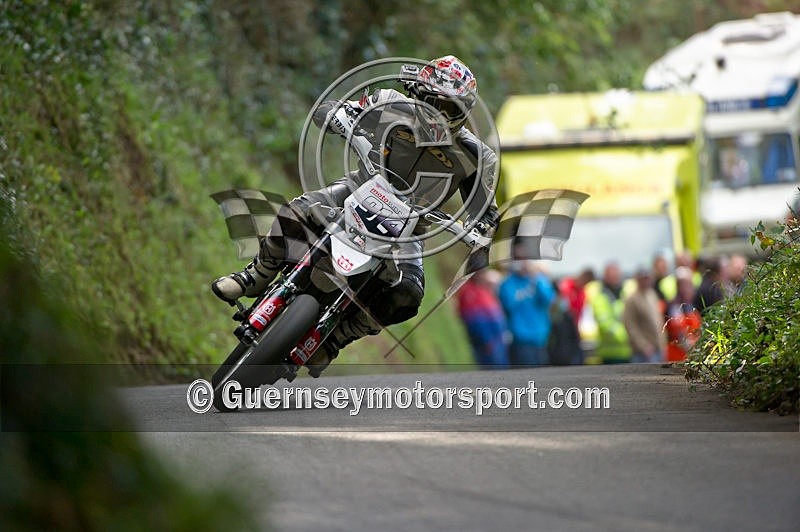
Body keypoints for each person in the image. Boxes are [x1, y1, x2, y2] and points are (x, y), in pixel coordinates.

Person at [211, 56, 499, 376]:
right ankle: (255, 275)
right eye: (432, 102)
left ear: (464, 113)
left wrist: (482, 237)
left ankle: (333, 340)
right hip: (358, 186)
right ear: (417, 94)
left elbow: (486, 212)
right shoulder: (388, 102)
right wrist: (337, 115)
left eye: (451, 109)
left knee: (408, 293)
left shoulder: (477, 156)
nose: (438, 115)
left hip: (410, 226)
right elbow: (334, 109)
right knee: (298, 210)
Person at [498, 261, 555, 367]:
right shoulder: (508, 283)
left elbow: (549, 299)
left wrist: (536, 278)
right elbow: (508, 305)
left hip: (541, 339)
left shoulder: (539, 280)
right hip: (521, 340)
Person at [456, 269, 509, 368]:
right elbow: (475, 320)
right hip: (487, 344)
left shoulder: (485, 291)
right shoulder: (469, 291)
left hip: (498, 342)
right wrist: (487, 339)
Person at [588, 262, 632, 364]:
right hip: (610, 353)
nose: (615, 277)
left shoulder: (624, 293)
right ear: (605, 276)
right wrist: (628, 336)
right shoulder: (600, 296)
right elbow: (606, 325)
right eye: (612, 275)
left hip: (628, 351)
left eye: (617, 274)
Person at [622, 268, 666, 363]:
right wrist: (643, 345)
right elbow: (630, 325)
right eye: (643, 278)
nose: (646, 281)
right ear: (637, 280)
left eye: (648, 278)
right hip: (645, 351)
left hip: (658, 346)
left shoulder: (652, 294)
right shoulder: (632, 299)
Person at [664, 266, 702, 362]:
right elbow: (680, 335)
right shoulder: (675, 307)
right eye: (687, 285)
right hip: (677, 358)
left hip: (690, 358)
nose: (691, 288)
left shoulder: (690, 306)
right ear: (679, 286)